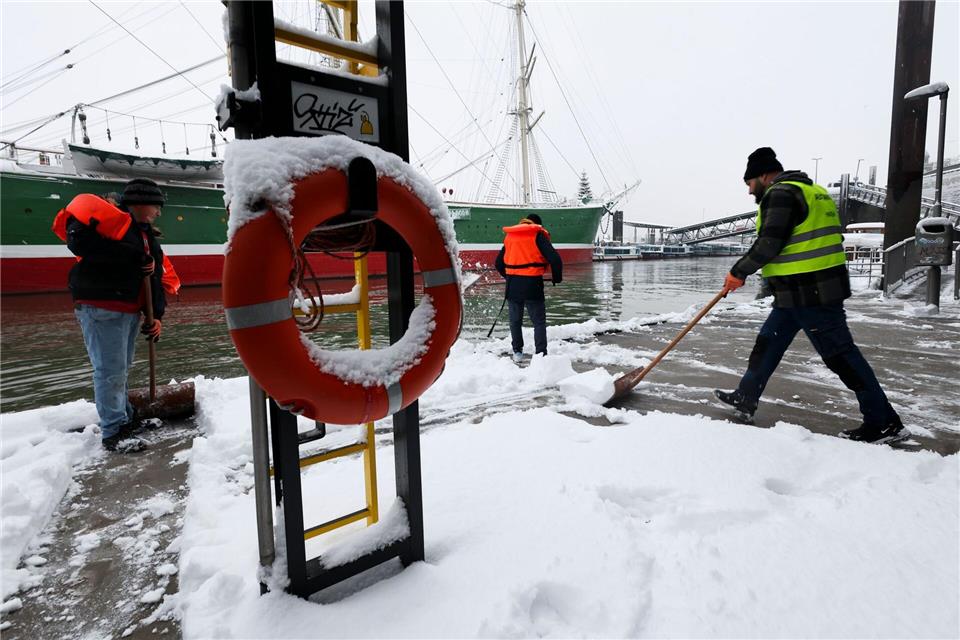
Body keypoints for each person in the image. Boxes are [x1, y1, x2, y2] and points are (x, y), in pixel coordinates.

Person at [714, 147, 904, 444]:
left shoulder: (781, 194)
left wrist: (738, 272)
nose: (750, 190)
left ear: (763, 175)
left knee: (841, 357)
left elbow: (769, 244)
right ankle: (746, 397)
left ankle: (883, 422)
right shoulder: (813, 192)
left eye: (750, 183)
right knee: (768, 343)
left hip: (811, 293)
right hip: (798, 293)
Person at [56, 178, 173, 452]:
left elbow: (154, 275)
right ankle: (113, 433)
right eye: (157, 206)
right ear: (141, 203)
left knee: (120, 369)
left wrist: (156, 316)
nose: (159, 212)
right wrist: (133, 256)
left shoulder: (144, 234)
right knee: (110, 371)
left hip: (128, 309)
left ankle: (125, 419)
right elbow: (79, 242)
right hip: (103, 306)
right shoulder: (105, 223)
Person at [495, 213, 563, 362]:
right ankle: (540, 355)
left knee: (515, 321)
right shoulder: (537, 235)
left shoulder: (510, 237)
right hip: (533, 284)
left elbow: (498, 263)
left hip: (513, 285)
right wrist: (556, 278)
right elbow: (555, 259)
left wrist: (510, 277)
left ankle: (517, 352)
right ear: (537, 224)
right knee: (538, 322)